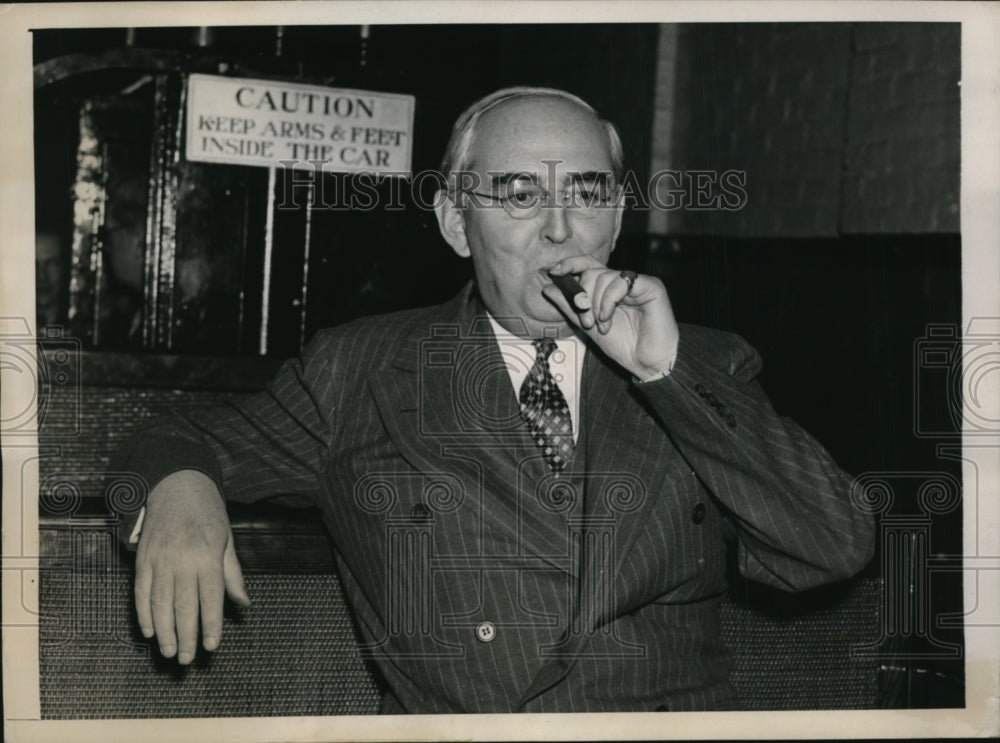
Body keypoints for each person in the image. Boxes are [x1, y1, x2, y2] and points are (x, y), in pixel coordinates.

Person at [113, 86, 874, 713]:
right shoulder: (364, 367)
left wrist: (664, 372)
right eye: (518, 195)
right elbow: (171, 434)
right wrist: (182, 487)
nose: (558, 230)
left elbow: (833, 543)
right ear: (455, 222)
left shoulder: (699, 362)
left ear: (614, 218)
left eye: (586, 194)